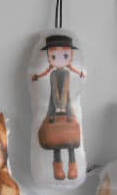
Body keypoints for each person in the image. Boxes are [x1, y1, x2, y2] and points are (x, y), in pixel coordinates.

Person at [32, 34, 85, 179]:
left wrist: (61, 105)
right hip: (54, 104)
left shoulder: (66, 73)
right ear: (49, 57)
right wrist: (38, 77)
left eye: (65, 55)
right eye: (54, 56)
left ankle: (72, 167)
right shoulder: (53, 74)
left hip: (65, 104)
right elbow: (54, 88)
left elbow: (64, 89)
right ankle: (58, 169)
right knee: (55, 135)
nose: (59, 60)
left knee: (70, 136)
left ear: (70, 56)